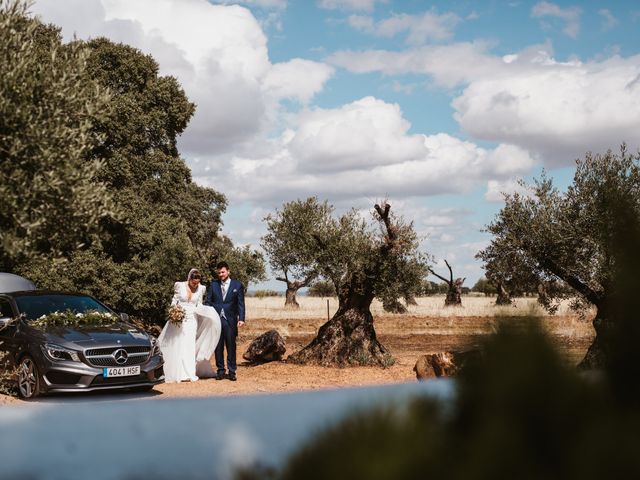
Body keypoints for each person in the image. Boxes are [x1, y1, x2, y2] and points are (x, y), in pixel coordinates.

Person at [158, 269, 220, 382]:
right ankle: (178, 372)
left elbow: (199, 304)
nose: (195, 285)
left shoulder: (201, 289)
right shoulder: (179, 286)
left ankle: (189, 373)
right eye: (193, 283)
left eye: (197, 283)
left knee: (189, 346)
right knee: (178, 344)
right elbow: (174, 301)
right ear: (189, 279)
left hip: (192, 320)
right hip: (178, 319)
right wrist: (174, 313)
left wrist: (208, 313)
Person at [206, 261, 245, 381]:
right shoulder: (213, 285)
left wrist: (241, 318)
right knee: (218, 347)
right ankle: (220, 371)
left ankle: (232, 371)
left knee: (231, 346)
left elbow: (240, 303)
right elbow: (208, 301)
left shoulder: (237, 285)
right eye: (219, 273)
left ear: (228, 271)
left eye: (223, 272)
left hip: (231, 320)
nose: (221, 274)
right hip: (216, 321)